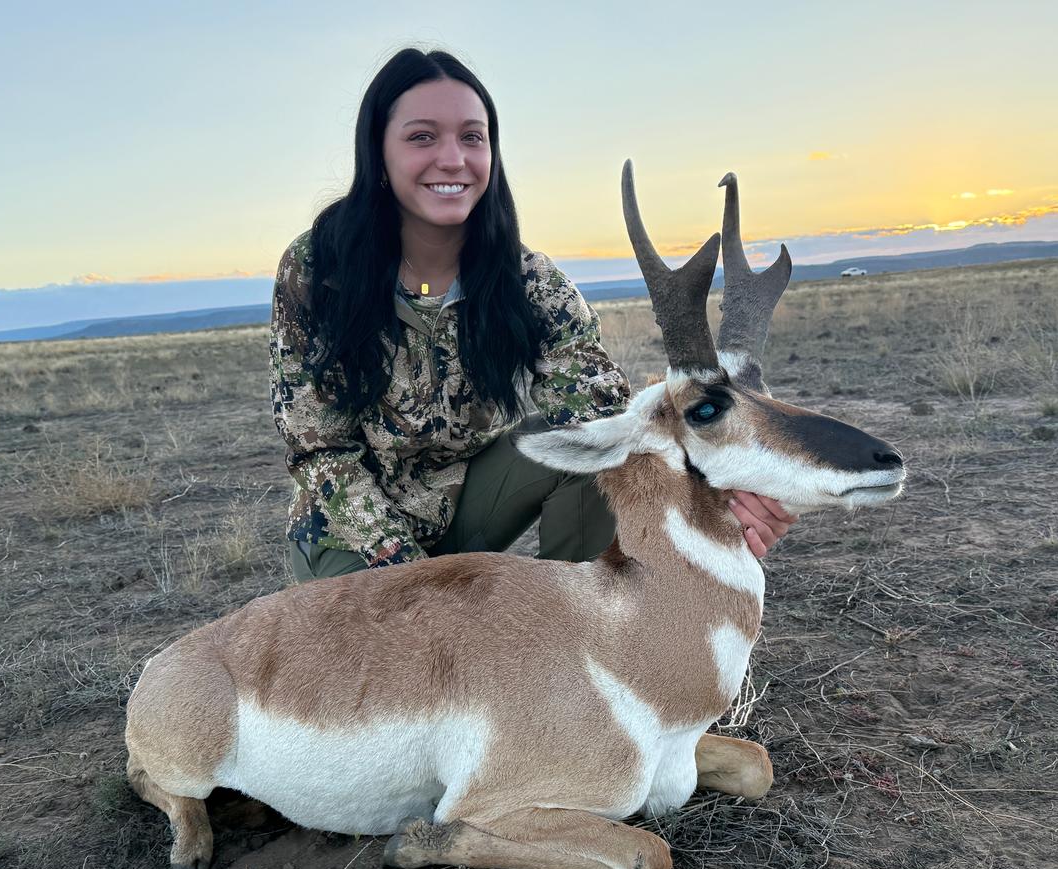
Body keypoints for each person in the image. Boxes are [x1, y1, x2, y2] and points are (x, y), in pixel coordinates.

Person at [269, 48, 795, 583]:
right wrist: (417, 581)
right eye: (422, 137)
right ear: (378, 152)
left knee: (588, 450)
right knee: (390, 637)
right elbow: (319, 450)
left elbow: (602, 415)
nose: (452, 159)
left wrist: (725, 496)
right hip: (349, 534)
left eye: (472, 137)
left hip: (463, 509)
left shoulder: (529, 281)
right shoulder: (317, 269)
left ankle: (572, 621)